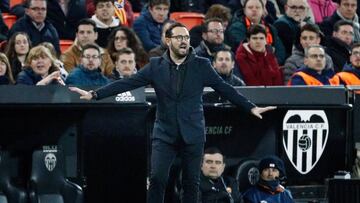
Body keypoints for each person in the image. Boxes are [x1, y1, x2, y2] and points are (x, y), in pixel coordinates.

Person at [70, 22, 276, 203]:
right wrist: (95, 95)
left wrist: (251, 107)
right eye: (179, 37)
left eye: (186, 37)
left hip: (193, 133)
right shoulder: (155, 66)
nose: (184, 41)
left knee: (191, 182)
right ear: (169, 41)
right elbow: (128, 83)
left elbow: (225, 88)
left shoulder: (201, 65)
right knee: (158, 178)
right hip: (165, 133)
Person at [225, 0, 286, 65]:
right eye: (250, 7)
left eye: (257, 7)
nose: (254, 10)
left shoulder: (270, 28)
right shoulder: (236, 28)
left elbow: (280, 52)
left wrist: (272, 63)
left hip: (270, 65)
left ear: (263, 10)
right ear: (244, 11)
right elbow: (245, 49)